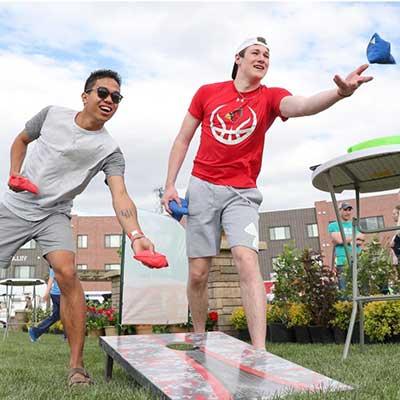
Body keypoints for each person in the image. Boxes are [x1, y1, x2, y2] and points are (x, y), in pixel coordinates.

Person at [161, 36, 372, 350]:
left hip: (242, 193)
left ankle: (259, 350)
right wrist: (169, 185)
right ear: (238, 58)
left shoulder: (270, 97)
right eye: (256, 53)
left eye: (267, 55)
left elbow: (301, 105)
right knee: (198, 272)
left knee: (247, 261)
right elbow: (182, 139)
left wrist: (339, 94)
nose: (262, 58)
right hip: (202, 185)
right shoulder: (207, 93)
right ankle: (199, 336)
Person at [0, 69, 154, 387]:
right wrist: (14, 173)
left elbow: (120, 195)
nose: (109, 100)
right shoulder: (51, 115)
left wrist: (136, 235)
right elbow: (20, 140)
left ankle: (77, 367)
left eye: (116, 97)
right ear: (85, 96)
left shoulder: (109, 151)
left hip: (54, 214)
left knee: (67, 273)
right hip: (14, 208)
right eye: (102, 93)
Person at [328, 201, 365, 290]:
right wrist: (354, 238)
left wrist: (345, 240)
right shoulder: (333, 225)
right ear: (339, 210)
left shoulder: (355, 224)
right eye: (345, 210)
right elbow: (339, 240)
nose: (347, 212)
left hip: (358, 258)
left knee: (361, 287)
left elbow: (362, 239)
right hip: (342, 261)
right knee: (345, 289)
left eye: (349, 210)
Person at [28, 267, 66, 342]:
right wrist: (46, 293)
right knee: (67, 315)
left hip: (57, 294)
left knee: (56, 316)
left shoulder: (58, 264)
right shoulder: (55, 265)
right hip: (59, 294)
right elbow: (51, 280)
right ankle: (68, 336)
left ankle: (35, 332)